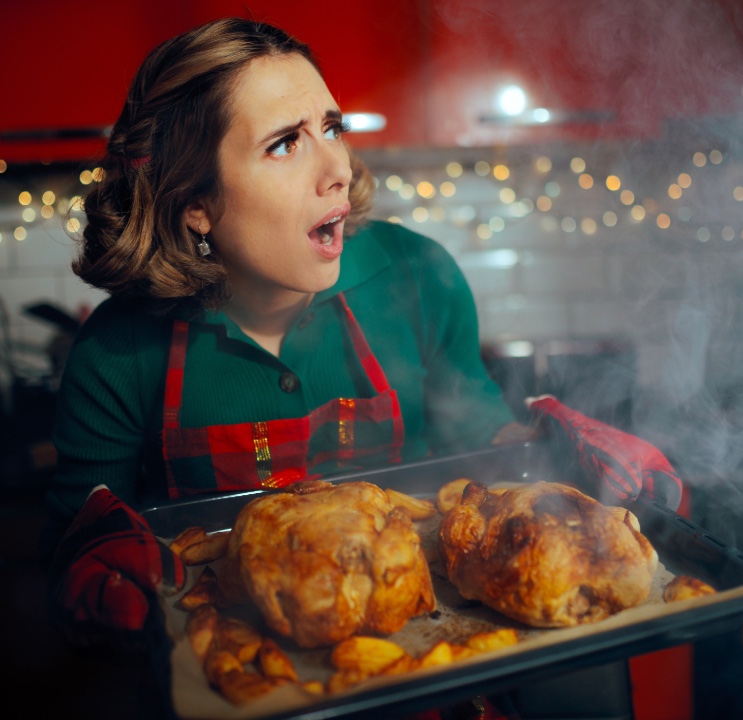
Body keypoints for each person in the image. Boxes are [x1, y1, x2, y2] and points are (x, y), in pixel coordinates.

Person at [44, 18, 682, 720]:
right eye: (285, 143)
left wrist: (558, 458)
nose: (338, 168)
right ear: (195, 204)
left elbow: (474, 428)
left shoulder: (416, 277)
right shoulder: (117, 355)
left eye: (332, 127)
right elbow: (76, 566)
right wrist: (96, 563)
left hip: (429, 672)